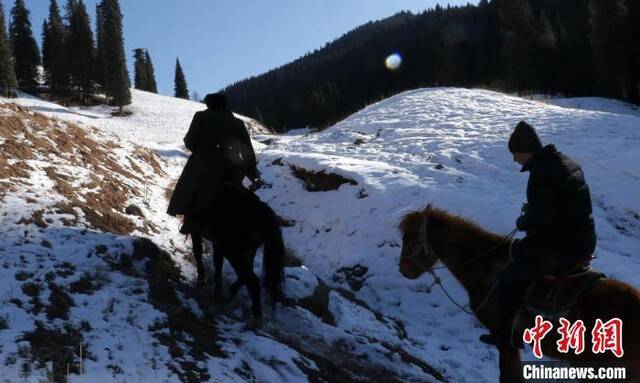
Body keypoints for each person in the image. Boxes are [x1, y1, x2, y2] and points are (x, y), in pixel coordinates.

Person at [480, 121, 597, 347]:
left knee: (510, 278)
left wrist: (523, 221)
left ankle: (507, 336)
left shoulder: (543, 174)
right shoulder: (565, 161)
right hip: (584, 239)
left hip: (563, 246)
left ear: (525, 150)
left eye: (515, 154)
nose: (515, 159)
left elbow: (541, 220)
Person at [167, 93, 259, 233]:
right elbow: (247, 151)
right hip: (231, 170)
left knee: (190, 191)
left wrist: (200, 151)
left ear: (208, 104)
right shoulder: (238, 123)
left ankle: (189, 223)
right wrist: (253, 173)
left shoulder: (200, 117)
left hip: (204, 166)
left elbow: (189, 141)